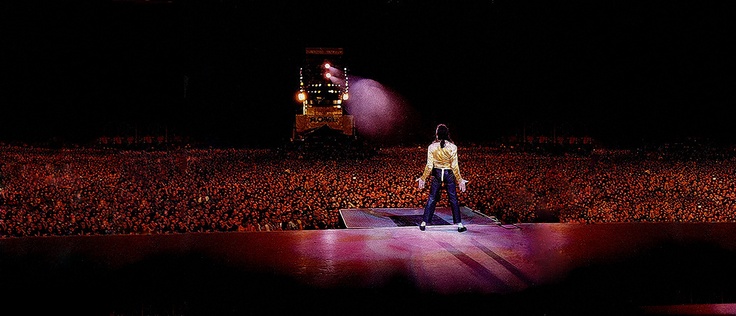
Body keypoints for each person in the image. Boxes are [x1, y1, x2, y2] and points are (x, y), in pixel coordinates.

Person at [416, 124, 469, 232]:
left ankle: (424, 223)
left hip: (437, 173)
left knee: (432, 198)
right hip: (448, 174)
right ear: (447, 133)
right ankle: (459, 224)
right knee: (453, 198)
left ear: (437, 134)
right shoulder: (453, 147)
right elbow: (454, 165)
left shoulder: (431, 147)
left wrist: (423, 178)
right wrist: (460, 180)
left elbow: (429, 165)